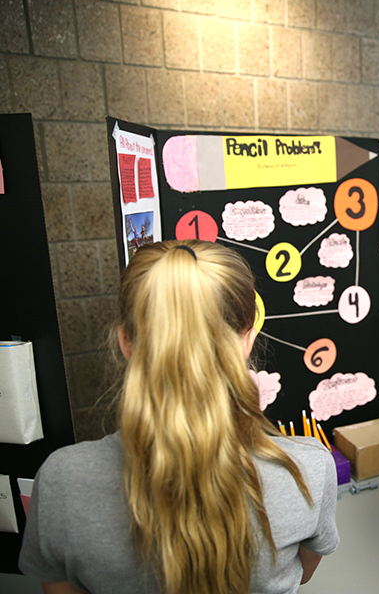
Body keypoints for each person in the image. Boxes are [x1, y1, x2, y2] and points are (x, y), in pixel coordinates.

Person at [19, 240, 339, 594]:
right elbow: (304, 572)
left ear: (126, 341)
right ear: (248, 339)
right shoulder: (307, 469)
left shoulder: (62, 480)